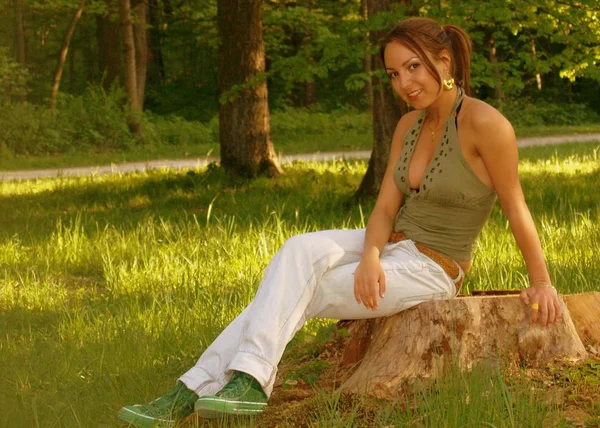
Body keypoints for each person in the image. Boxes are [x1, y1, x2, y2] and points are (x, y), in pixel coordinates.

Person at [117, 17, 562, 427]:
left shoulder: (487, 124)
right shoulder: (408, 125)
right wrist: (370, 254)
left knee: (292, 294)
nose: (404, 83)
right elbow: (386, 208)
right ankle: (235, 384)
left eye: (413, 67)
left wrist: (541, 281)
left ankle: (193, 390)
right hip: (391, 247)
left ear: (443, 62)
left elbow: (515, 208)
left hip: (434, 268)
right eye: (393, 74)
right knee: (296, 251)